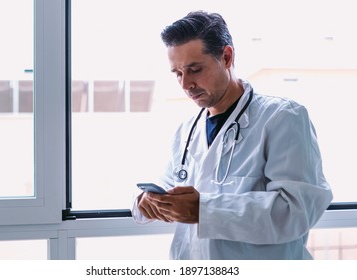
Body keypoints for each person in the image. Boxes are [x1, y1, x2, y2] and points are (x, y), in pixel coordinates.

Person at [132, 10, 333, 259]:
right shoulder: (187, 130)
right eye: (178, 73)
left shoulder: (282, 118)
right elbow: (168, 185)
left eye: (195, 69)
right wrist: (148, 200)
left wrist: (203, 210)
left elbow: (295, 212)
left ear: (226, 57)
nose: (185, 84)